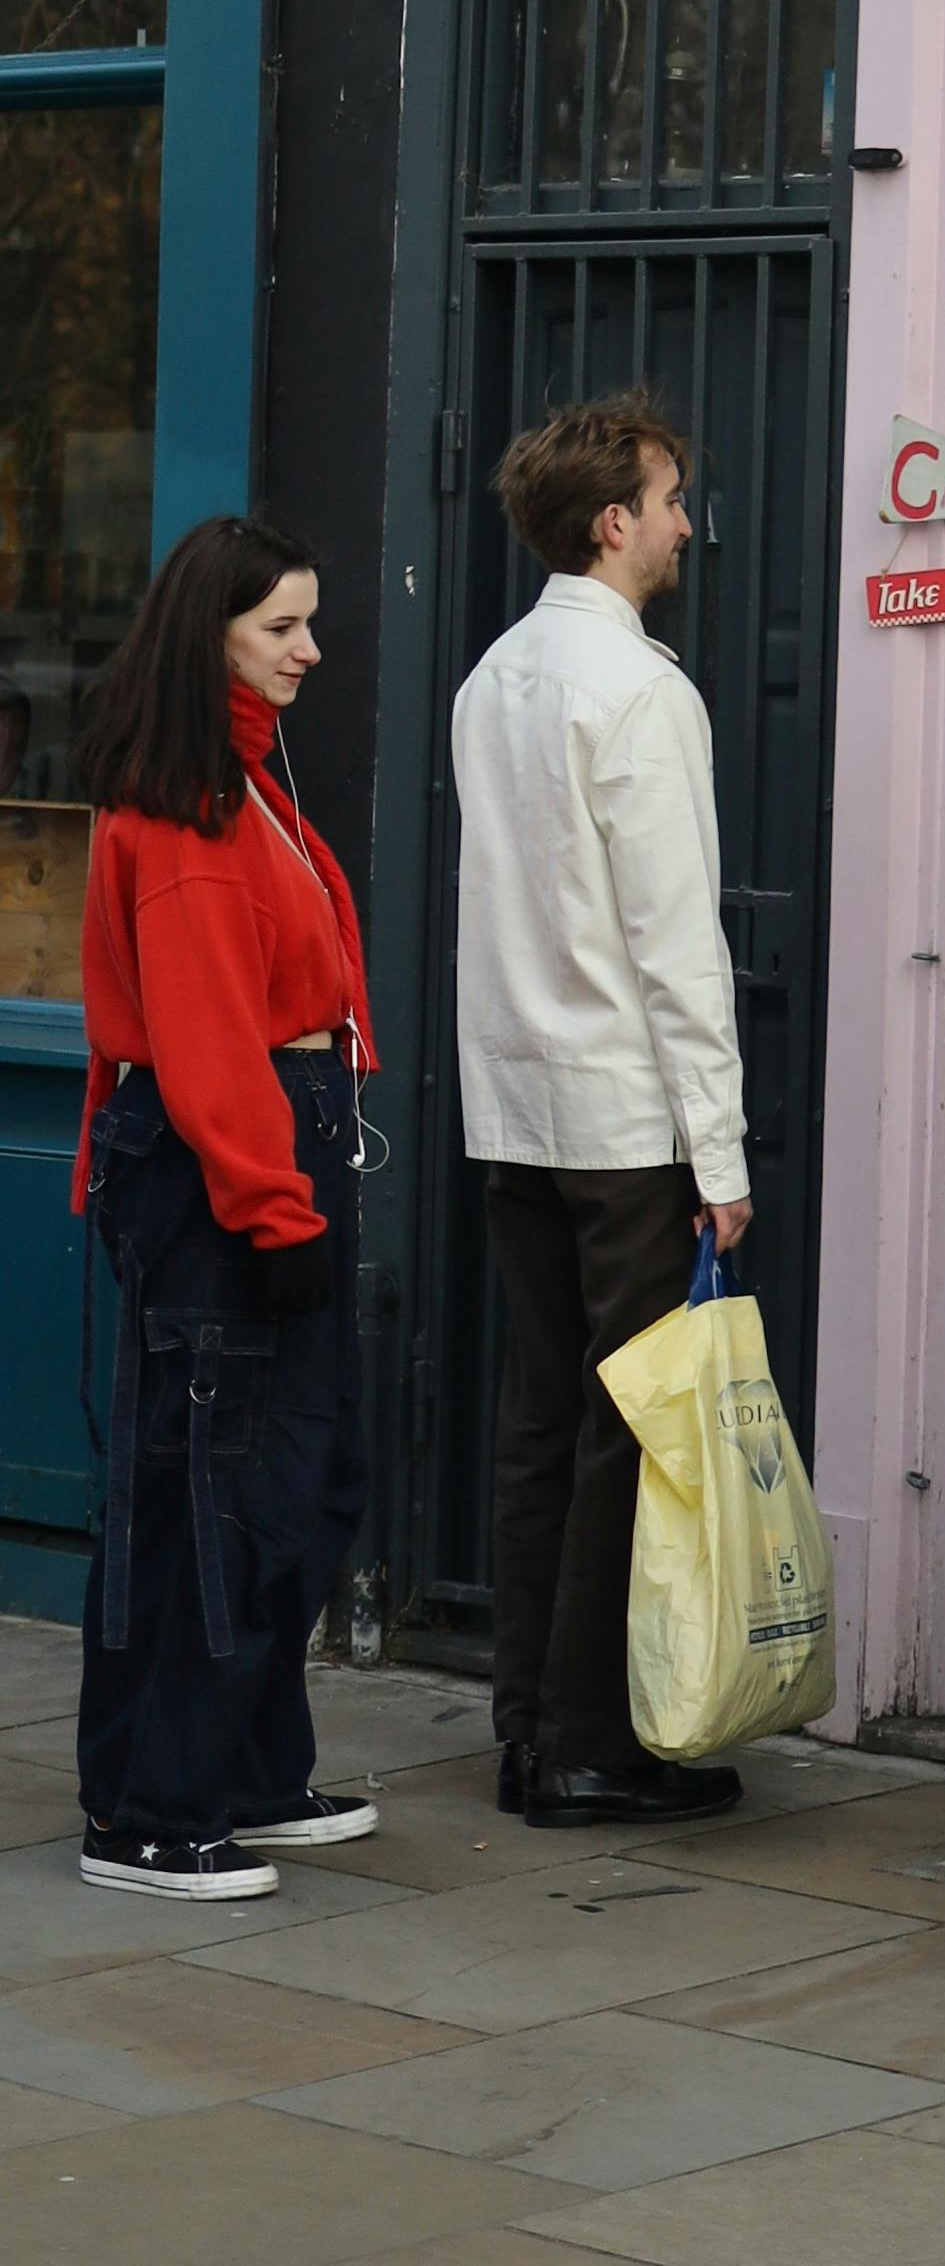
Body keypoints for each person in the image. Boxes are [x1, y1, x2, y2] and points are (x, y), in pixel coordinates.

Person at [454, 392, 753, 1829]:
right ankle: (584, 1747)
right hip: (625, 1119)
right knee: (624, 1430)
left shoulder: (493, 677)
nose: (687, 522)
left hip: (512, 1105)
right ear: (610, 522)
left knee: (537, 1420)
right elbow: (674, 939)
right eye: (671, 495)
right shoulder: (639, 692)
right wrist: (722, 1147)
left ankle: (527, 1727)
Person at [72, 516, 380, 1899]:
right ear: (212, 640)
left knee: (284, 1483)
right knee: (217, 1496)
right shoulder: (195, 811)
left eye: (309, 622)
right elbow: (206, 1043)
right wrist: (276, 1206)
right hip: (226, 1165)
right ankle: (151, 1807)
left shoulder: (240, 784)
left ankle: (241, 1771)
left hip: (266, 1147)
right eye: (281, 628)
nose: (311, 650)